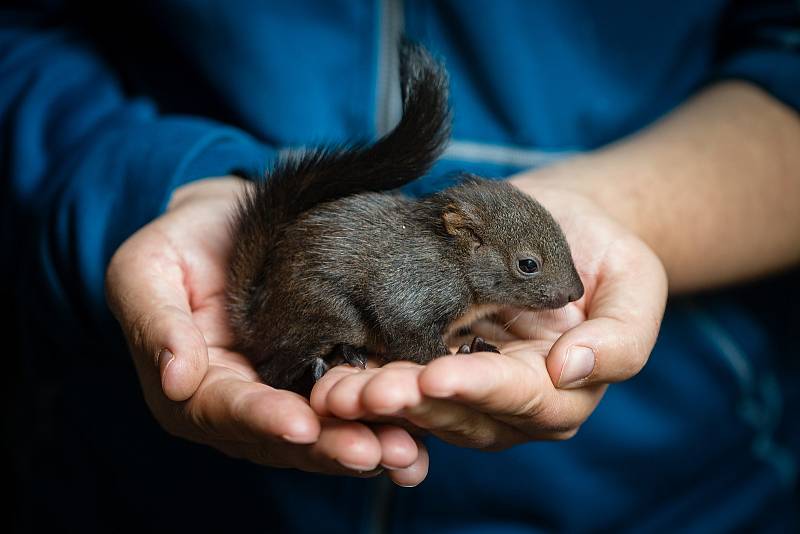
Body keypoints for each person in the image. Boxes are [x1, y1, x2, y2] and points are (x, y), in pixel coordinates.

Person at [4, 1, 799, 531]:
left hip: (694, 499)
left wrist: (629, 208)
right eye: (530, 270)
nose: (560, 295)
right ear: (464, 237)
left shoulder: (464, 260)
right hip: (156, 491)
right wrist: (144, 185)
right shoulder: (432, 275)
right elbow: (397, 310)